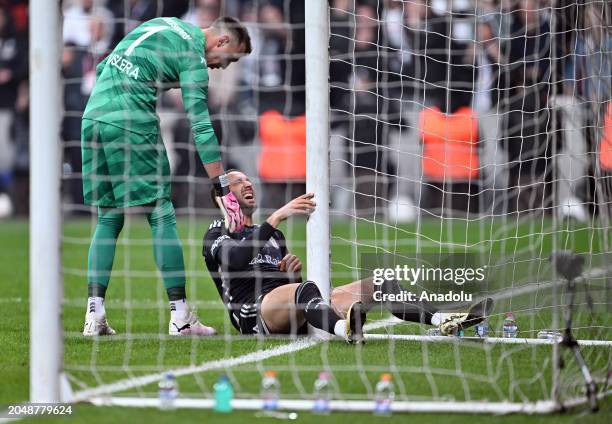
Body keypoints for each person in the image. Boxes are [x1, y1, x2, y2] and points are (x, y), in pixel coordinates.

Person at [81, 16, 252, 336]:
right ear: (223, 42)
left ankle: (95, 313)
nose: (222, 68)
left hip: (93, 114)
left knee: (109, 217)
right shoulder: (194, 59)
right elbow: (201, 127)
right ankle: (181, 316)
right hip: (130, 120)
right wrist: (222, 187)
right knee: (161, 211)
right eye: (228, 60)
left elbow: (106, 64)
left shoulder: (167, 24)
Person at [202, 170, 493, 342]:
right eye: (239, 183)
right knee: (306, 290)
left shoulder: (274, 238)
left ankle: (443, 318)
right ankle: (344, 329)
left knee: (382, 282)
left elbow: (292, 286)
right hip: (252, 316)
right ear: (225, 197)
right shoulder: (217, 233)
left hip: (290, 304)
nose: (248, 184)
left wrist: (290, 275)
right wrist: (276, 217)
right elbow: (237, 259)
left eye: (249, 180)